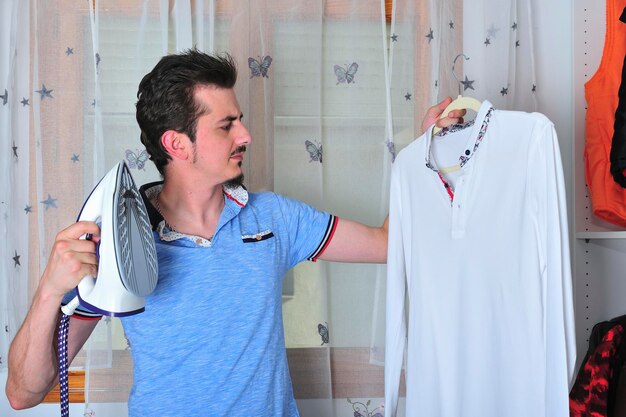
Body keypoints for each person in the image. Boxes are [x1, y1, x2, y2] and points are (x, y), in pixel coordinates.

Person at [5, 48, 464, 416]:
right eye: (227, 125)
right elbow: (24, 395)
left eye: (239, 119)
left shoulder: (274, 219)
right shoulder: (119, 244)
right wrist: (50, 288)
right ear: (176, 143)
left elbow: (390, 244)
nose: (245, 135)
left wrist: (427, 151)